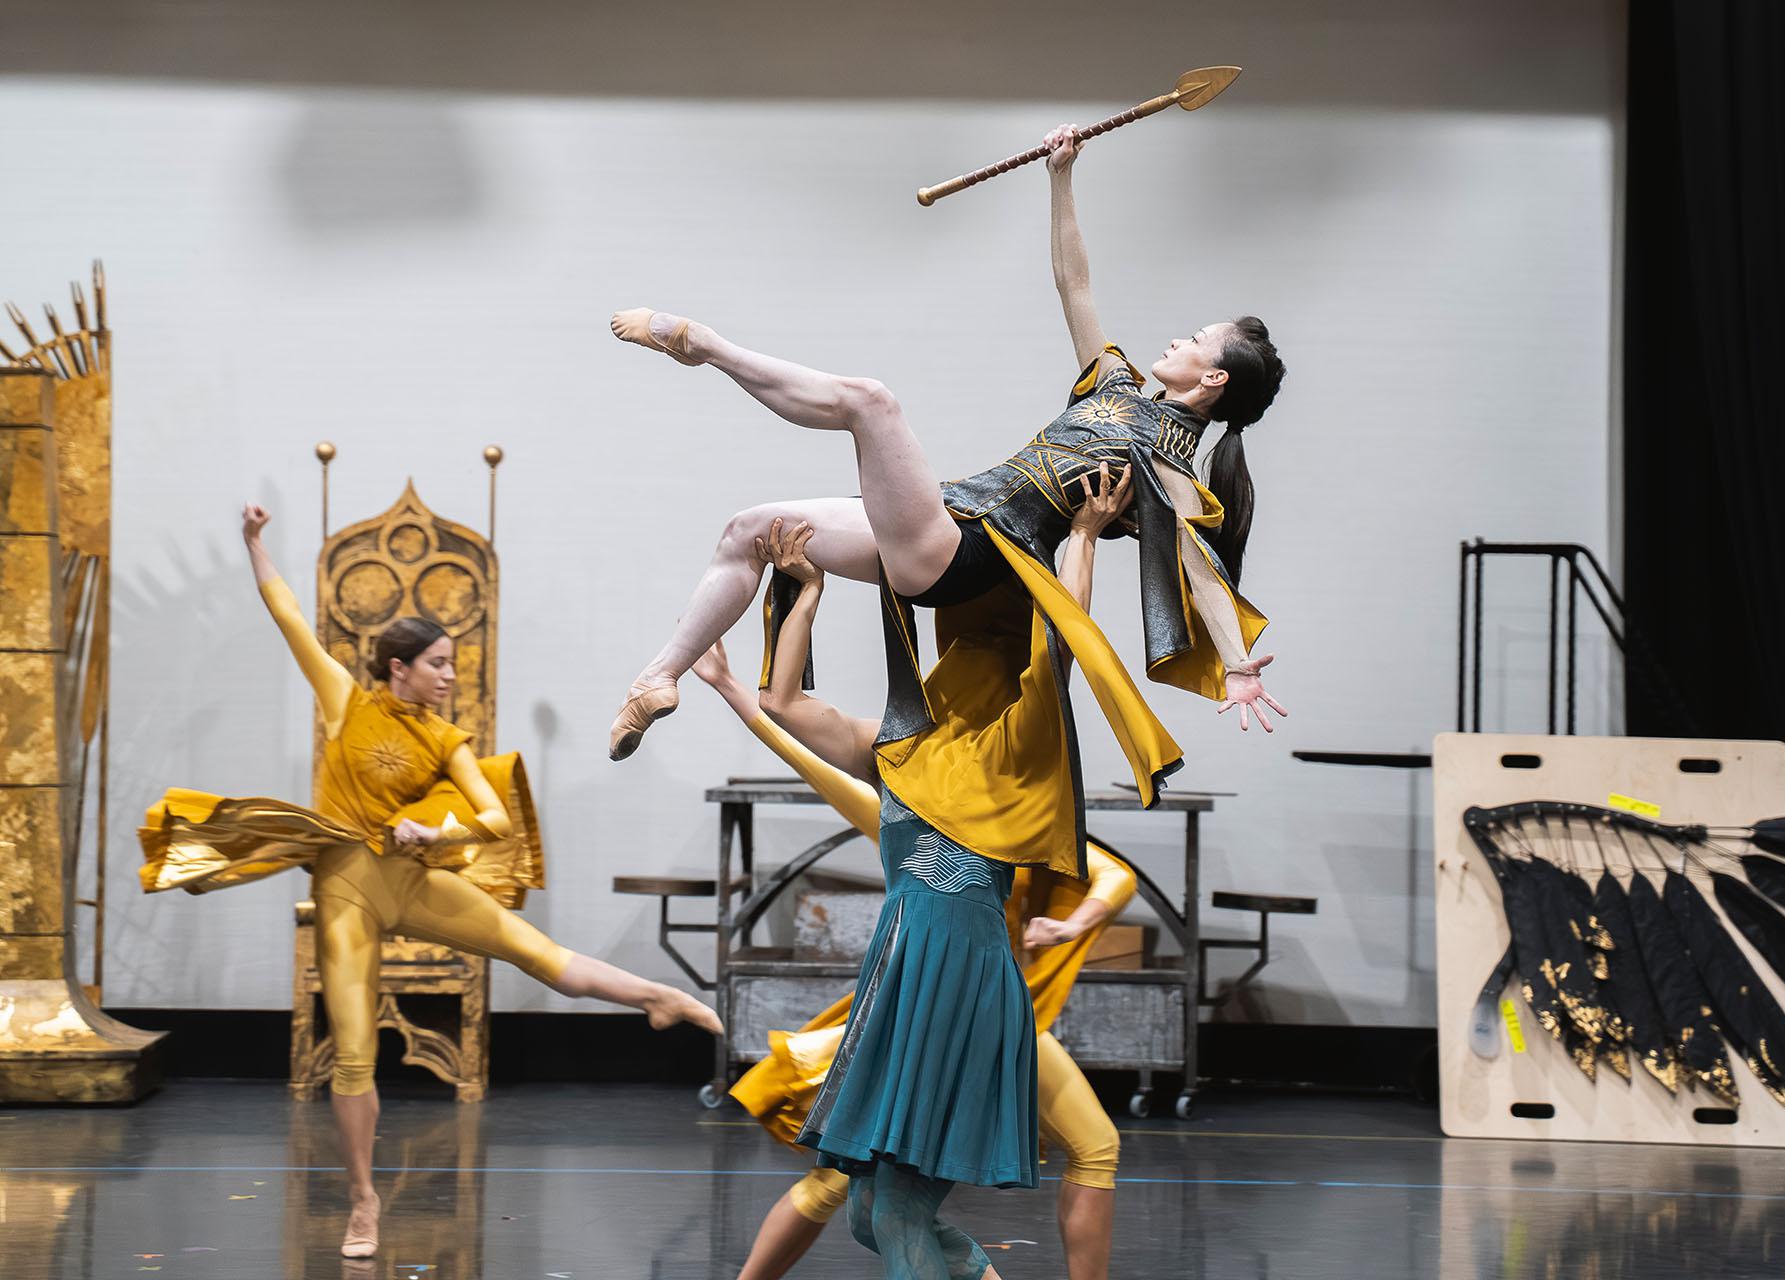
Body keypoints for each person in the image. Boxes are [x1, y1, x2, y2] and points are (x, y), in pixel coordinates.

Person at [606, 124, 1287, 885]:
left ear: (1215, 379)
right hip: (952, 514)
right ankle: (656, 679)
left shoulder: (1171, 466)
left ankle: (702, 345)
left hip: (971, 552)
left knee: (871, 401)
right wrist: (1061, 177)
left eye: (1196, 338)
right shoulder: (1116, 385)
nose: (1178, 338)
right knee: (748, 531)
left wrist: (1236, 665)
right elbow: (1075, 285)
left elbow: (1199, 570)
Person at [138, 504, 722, 1259]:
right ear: (399, 668)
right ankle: (363, 1202)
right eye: (439, 664)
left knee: (537, 953)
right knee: (353, 1055)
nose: (451, 676)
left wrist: (433, 832)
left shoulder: (448, 740)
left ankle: (657, 996)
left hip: (412, 879)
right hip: (346, 892)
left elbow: (492, 819)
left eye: (453, 663)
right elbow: (287, 615)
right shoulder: (346, 702)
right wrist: (253, 543)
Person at [692, 515, 1134, 1280]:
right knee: (868, 1212)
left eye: (974, 644)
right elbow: (788, 704)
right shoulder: (898, 748)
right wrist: (808, 592)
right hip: (900, 982)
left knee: (895, 1211)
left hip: (963, 982)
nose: (951, 653)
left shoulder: (1017, 747)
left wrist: (1085, 539)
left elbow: (1061, 646)